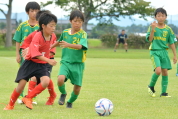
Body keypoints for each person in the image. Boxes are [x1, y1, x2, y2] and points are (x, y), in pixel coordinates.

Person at [3, 12, 57, 110]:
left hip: (42, 65)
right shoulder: (37, 35)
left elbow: (50, 48)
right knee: (21, 86)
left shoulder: (53, 36)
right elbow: (35, 53)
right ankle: (10, 105)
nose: (53, 28)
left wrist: (51, 53)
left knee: (46, 81)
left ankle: (28, 98)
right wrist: (48, 60)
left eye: (54, 26)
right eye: (51, 26)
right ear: (43, 26)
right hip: (30, 63)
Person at [51, 9, 88, 108]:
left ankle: (70, 101)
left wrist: (68, 45)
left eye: (80, 22)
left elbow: (80, 46)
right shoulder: (65, 32)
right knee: (60, 79)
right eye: (75, 21)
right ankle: (63, 93)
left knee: (77, 88)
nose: (77, 24)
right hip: (66, 62)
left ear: (82, 23)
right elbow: (59, 41)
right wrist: (49, 47)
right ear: (70, 21)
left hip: (78, 64)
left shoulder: (83, 34)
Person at [20, 10, 57, 106]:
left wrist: (50, 54)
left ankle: (52, 95)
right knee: (34, 78)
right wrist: (27, 49)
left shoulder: (51, 34)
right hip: (35, 61)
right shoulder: (35, 34)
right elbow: (26, 44)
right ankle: (30, 98)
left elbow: (53, 47)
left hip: (47, 60)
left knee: (46, 80)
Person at [13, 1, 40, 104]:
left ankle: (32, 98)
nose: (34, 13)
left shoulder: (41, 26)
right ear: (27, 12)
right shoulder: (22, 26)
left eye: (36, 11)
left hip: (36, 56)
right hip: (24, 56)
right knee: (23, 76)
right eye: (32, 11)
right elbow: (17, 40)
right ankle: (20, 97)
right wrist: (17, 54)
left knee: (34, 77)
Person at [146, 8, 177, 98]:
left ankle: (164, 93)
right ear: (155, 17)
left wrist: (175, 55)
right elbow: (150, 40)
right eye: (158, 16)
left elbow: (171, 43)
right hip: (155, 51)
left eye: (162, 16)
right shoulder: (152, 26)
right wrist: (152, 29)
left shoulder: (168, 29)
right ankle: (150, 86)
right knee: (158, 71)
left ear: (166, 17)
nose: (161, 17)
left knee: (165, 72)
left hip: (164, 52)